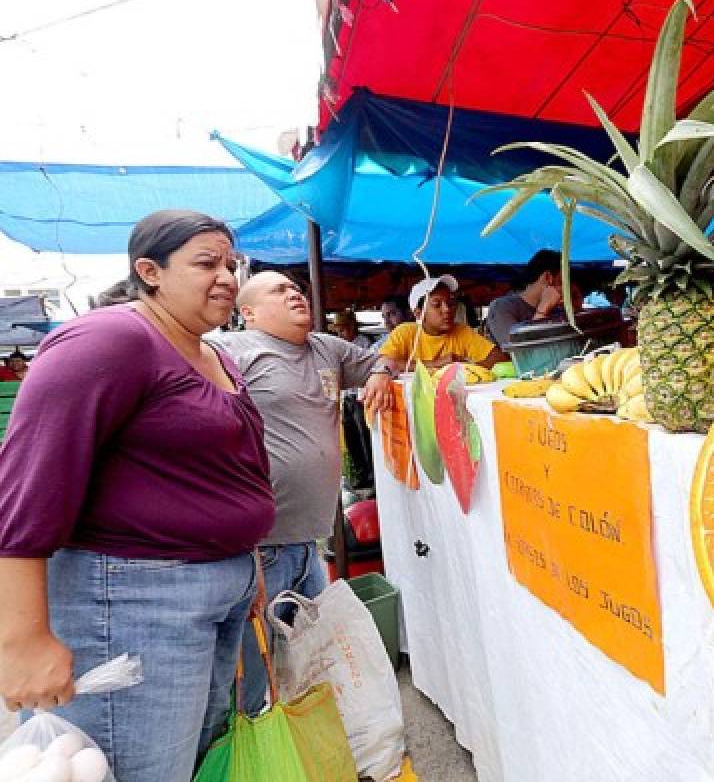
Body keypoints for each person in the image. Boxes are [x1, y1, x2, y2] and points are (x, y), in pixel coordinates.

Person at [0, 210, 276, 781]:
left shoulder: (213, 353)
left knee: (187, 764)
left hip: (212, 591)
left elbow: (224, 472)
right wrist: (23, 639)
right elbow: (27, 486)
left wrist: (244, 564)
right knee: (136, 770)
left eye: (231, 263)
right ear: (149, 271)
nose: (226, 276)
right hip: (131, 600)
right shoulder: (110, 339)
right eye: (207, 263)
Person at [211, 271, 395, 715]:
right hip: (261, 547)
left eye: (297, 289)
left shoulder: (326, 348)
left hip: (308, 544)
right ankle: (248, 753)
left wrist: (382, 373)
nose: (295, 294)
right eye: (280, 290)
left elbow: (384, 354)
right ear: (248, 313)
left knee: (314, 657)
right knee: (251, 671)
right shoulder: (231, 351)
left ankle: (305, 743)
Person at [379, 274, 506, 371]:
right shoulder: (405, 332)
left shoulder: (462, 332)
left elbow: (500, 358)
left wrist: (464, 369)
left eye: (450, 303)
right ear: (418, 313)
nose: (447, 309)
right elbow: (383, 362)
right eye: (437, 304)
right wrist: (435, 364)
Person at [482, 249, 563, 346]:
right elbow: (520, 350)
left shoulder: (556, 310)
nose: (564, 290)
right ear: (548, 277)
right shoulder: (501, 307)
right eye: (561, 282)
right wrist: (542, 310)